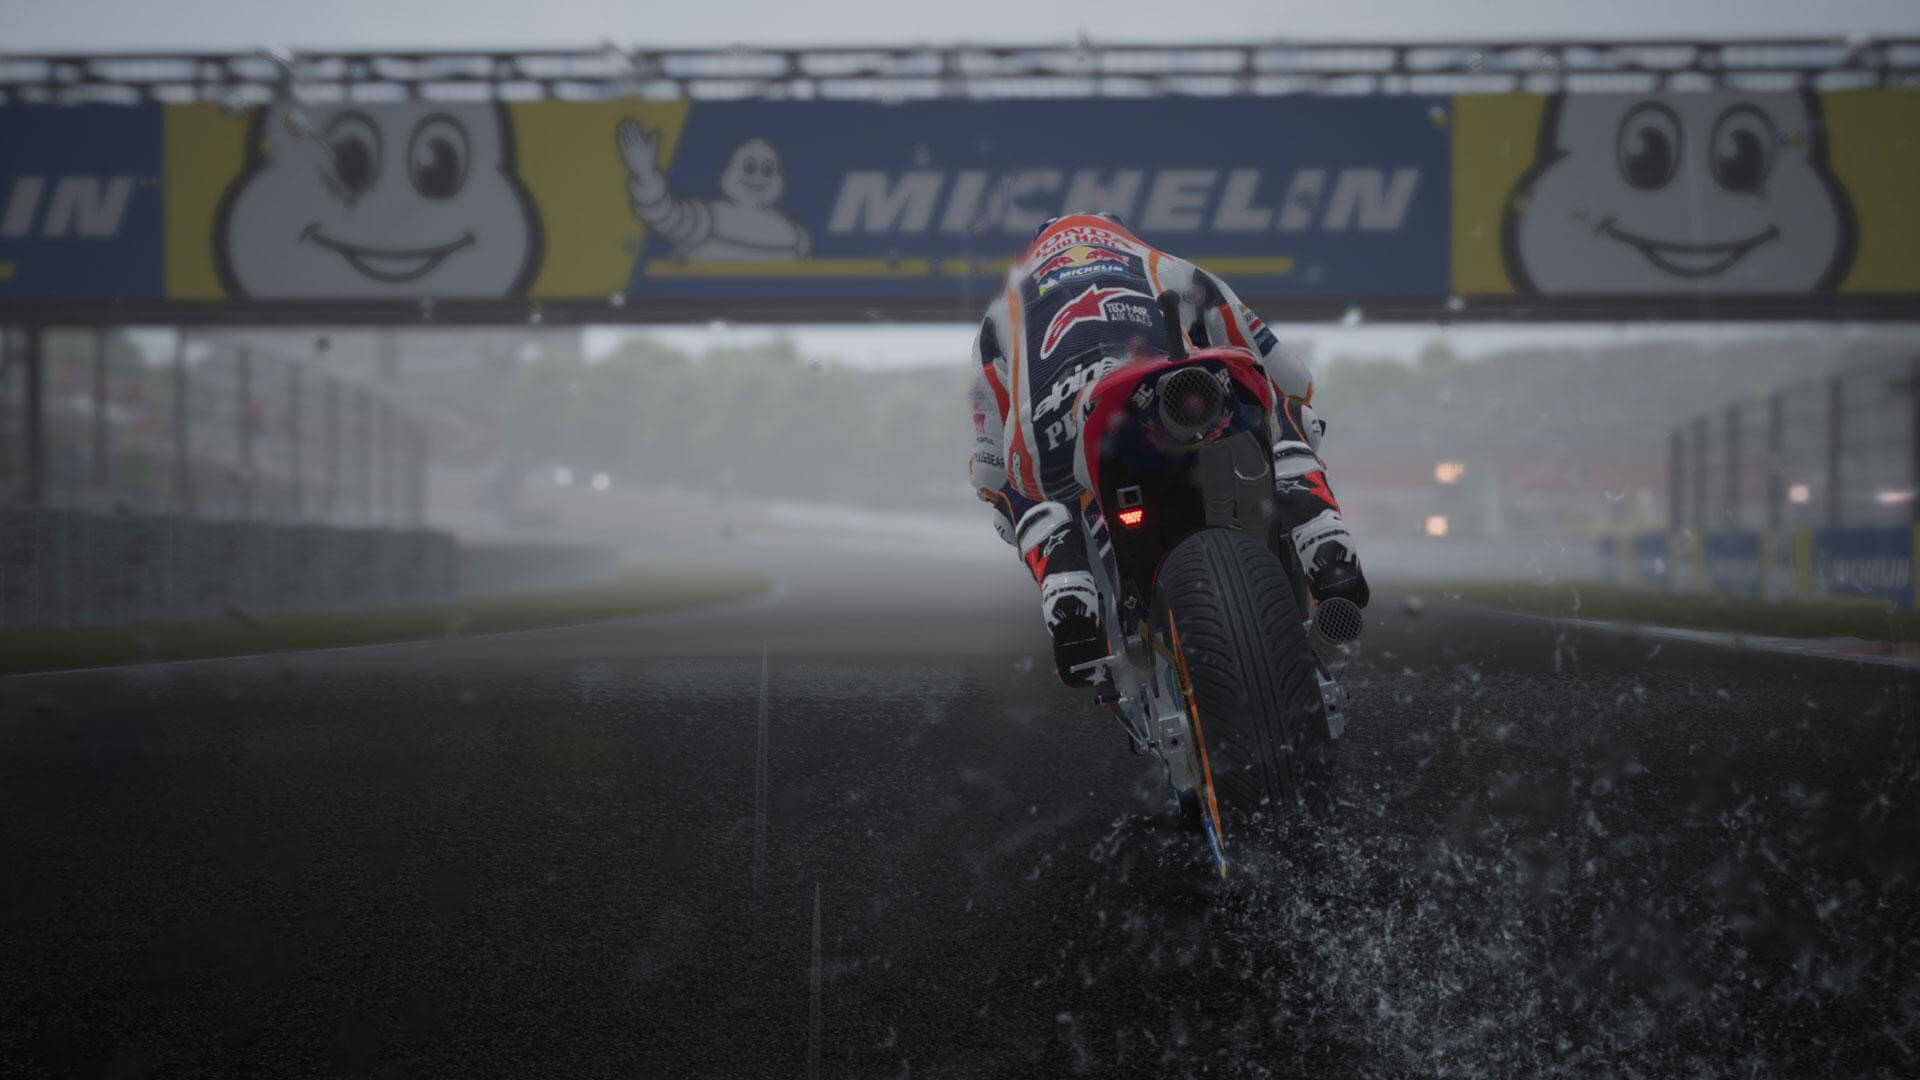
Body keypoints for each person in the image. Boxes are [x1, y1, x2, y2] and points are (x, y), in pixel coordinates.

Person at [967, 212, 1369, 686]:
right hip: (1168, 392)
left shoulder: (1001, 312)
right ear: (1117, 235)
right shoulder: (1164, 263)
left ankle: (1066, 582)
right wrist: (1294, 416)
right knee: (1280, 408)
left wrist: (1005, 503)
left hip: (1067, 425)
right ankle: (1318, 527)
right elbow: (1293, 377)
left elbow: (989, 467)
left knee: (1019, 487)